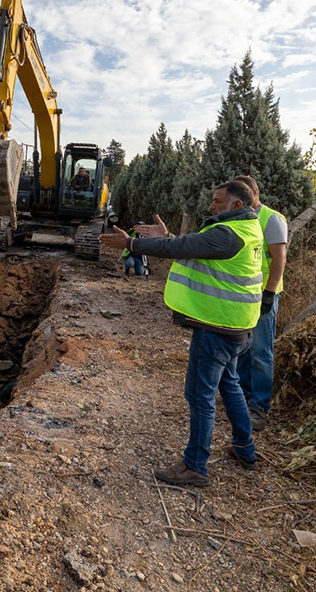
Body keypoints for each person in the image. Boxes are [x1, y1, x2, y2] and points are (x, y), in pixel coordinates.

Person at [99, 181, 264, 486]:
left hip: (217, 327)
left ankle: (195, 465)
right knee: (230, 385)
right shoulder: (247, 229)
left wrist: (131, 245)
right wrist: (169, 236)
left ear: (237, 205)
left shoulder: (227, 234)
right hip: (238, 326)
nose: (212, 206)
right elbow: (193, 247)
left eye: (217, 201)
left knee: (200, 396)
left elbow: (180, 248)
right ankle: (245, 449)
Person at [232, 175, 287, 432]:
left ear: (255, 191)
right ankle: (241, 397)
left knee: (261, 352)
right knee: (243, 348)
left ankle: (260, 407)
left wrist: (270, 292)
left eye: (246, 193)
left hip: (264, 294)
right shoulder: (242, 218)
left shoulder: (271, 219)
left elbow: (279, 259)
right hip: (244, 294)